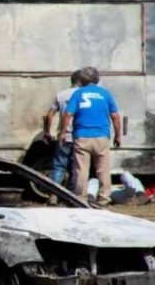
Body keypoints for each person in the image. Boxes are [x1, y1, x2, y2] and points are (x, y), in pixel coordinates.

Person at [59, 67, 121, 206]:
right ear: (97, 79)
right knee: (103, 169)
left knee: (81, 169)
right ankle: (104, 198)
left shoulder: (78, 93)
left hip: (82, 136)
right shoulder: (105, 94)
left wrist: (63, 133)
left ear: (82, 80)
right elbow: (115, 116)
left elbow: (68, 114)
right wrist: (118, 135)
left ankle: (81, 198)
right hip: (101, 136)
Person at [44, 70, 81, 189]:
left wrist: (47, 132)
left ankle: (53, 194)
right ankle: (72, 195)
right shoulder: (84, 94)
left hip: (64, 137)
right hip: (80, 137)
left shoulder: (61, 95)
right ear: (81, 81)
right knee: (76, 167)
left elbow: (49, 115)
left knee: (58, 166)